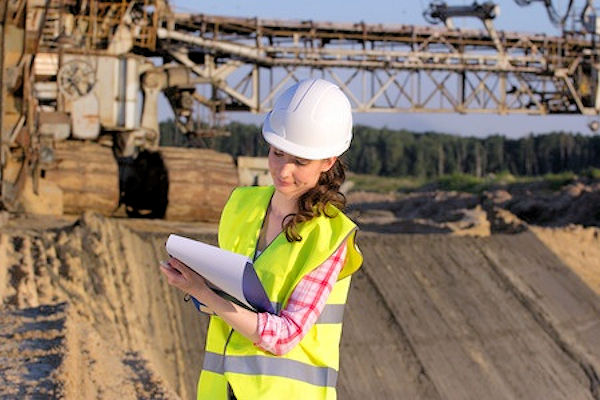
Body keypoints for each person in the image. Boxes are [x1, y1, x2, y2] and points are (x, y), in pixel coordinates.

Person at [160, 78, 363, 400]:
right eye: (278, 153)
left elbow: (284, 337)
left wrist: (199, 291)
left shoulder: (330, 237)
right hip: (221, 390)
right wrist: (200, 282)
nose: (283, 170)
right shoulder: (242, 205)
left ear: (329, 161)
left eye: (300, 161)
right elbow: (234, 301)